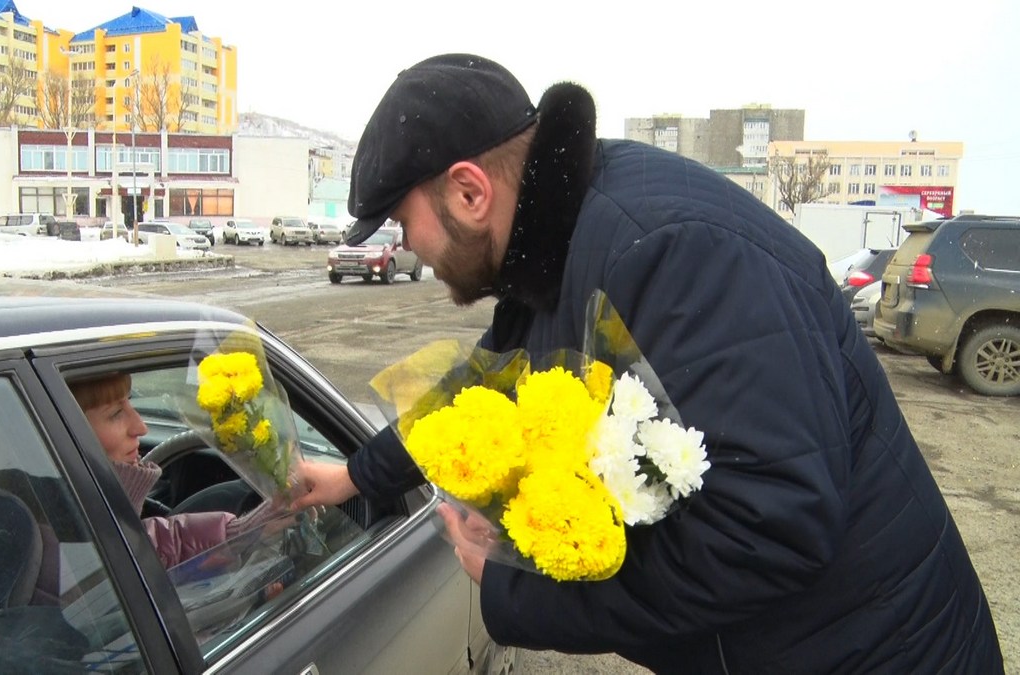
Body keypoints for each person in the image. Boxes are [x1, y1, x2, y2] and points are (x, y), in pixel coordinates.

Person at [291, 54, 1003, 672]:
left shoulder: (667, 248)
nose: (407, 245)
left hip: (873, 654)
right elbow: (482, 387)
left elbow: (769, 527)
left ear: (470, 192)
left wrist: (520, 592)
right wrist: (354, 474)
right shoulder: (558, 244)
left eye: (400, 221)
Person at [70, 372, 269, 569]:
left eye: (130, 402)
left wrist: (245, 530)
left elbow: (151, 545)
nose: (140, 427)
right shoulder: (57, 543)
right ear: (67, 432)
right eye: (115, 413)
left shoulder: (76, 523)